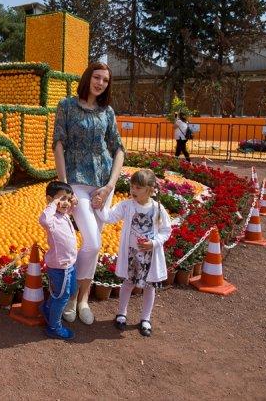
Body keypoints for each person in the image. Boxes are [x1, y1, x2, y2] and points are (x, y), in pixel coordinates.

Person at [52, 62, 125, 325]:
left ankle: (82, 299)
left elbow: (118, 149)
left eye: (105, 80)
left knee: (94, 247)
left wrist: (108, 187)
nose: (101, 83)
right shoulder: (67, 106)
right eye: (97, 77)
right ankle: (71, 298)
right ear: (87, 77)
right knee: (92, 241)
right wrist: (64, 186)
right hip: (77, 183)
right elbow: (59, 144)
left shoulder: (108, 112)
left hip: (103, 185)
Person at [93, 169, 172, 337]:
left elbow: (166, 230)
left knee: (150, 287)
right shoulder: (127, 205)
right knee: (128, 283)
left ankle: (145, 318)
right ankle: (121, 313)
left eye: (138, 188)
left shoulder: (158, 208)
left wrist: (154, 243)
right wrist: (100, 206)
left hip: (149, 257)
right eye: (132, 187)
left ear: (150, 189)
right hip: (131, 255)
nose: (133, 190)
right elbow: (110, 217)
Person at [38, 181, 79, 341]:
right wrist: (53, 204)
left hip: (69, 264)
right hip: (60, 266)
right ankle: (54, 327)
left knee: (67, 291)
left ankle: (47, 308)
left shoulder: (63, 215)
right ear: (50, 199)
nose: (66, 202)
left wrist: (71, 201)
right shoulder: (52, 218)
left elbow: (70, 207)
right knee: (62, 296)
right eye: (62, 198)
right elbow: (43, 220)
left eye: (68, 199)